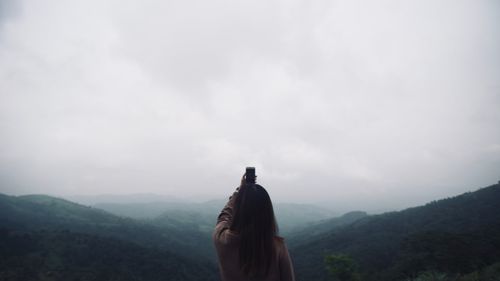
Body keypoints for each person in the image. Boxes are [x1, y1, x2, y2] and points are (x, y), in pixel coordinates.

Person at [213, 173, 295, 281]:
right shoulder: (277, 247)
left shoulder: (222, 239)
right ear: (267, 214)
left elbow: (224, 216)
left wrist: (239, 192)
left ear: (238, 210)